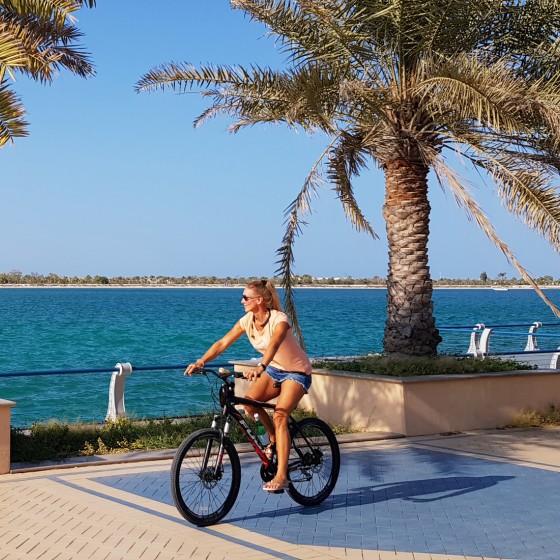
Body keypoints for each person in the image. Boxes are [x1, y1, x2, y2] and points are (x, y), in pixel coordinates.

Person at [185, 279, 312, 493]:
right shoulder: (247, 321)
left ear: (259, 300)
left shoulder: (279, 319)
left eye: (246, 297)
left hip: (296, 372)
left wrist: (261, 366)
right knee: (250, 404)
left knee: (280, 416)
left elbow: (274, 343)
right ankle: (273, 440)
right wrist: (201, 361)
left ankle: (281, 476)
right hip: (274, 369)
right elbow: (223, 343)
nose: (241, 301)